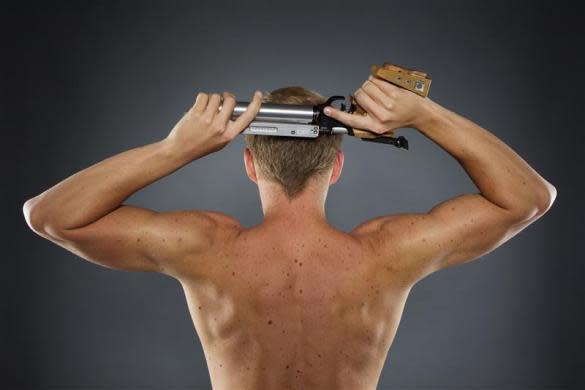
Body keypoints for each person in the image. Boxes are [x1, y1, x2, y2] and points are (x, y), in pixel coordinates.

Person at [23, 76, 556, 389]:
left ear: (250, 165)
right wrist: (425, 113)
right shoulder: (387, 254)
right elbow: (530, 198)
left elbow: (50, 216)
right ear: (337, 165)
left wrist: (174, 150)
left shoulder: (205, 249)